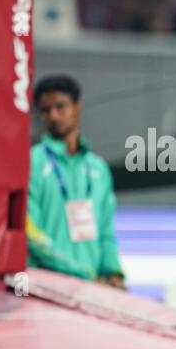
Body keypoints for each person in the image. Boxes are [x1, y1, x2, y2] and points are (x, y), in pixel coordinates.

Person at [26, 75, 126, 288]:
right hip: (47, 287)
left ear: (77, 108)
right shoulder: (31, 162)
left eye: (60, 106)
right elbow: (31, 234)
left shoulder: (98, 168)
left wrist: (114, 273)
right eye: (45, 110)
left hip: (93, 289)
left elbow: (107, 231)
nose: (53, 116)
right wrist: (82, 274)